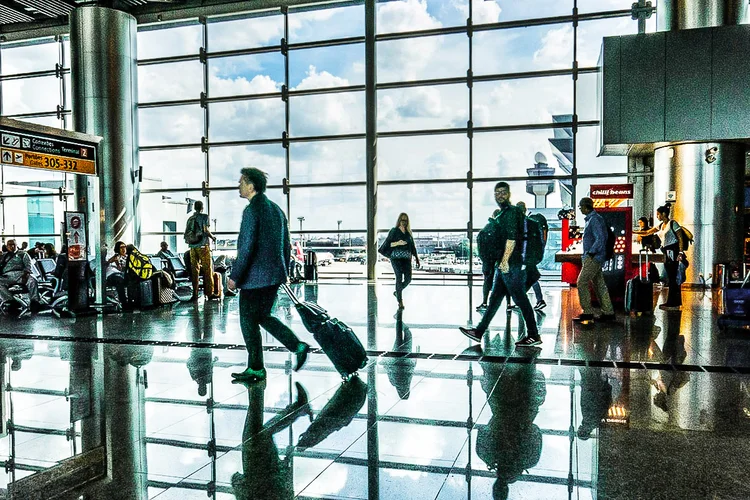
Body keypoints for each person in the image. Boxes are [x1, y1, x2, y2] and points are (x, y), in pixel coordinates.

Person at [227, 167, 310, 383]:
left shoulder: (251, 211)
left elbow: (246, 248)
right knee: (263, 316)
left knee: (247, 320)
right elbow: (287, 245)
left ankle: (256, 368)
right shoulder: (276, 210)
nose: (239, 185)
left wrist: (235, 276)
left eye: (241, 182)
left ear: (251, 186)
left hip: (255, 279)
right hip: (274, 276)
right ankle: (297, 346)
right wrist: (283, 272)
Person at [459, 182, 541, 347]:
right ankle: (479, 332)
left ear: (509, 194)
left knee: (520, 299)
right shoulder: (503, 214)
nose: (500, 195)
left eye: (503, 192)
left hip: (511, 265)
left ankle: (533, 335)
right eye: (497, 193)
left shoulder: (510, 213)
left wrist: (504, 261)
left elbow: (511, 238)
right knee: (495, 299)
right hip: (504, 265)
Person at [574, 197, 615, 323]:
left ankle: (587, 312)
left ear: (585, 207)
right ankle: (608, 312)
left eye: (580, 207)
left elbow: (600, 238)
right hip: (596, 256)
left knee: (581, 282)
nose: (580, 209)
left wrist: (591, 252)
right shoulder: (593, 219)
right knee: (599, 284)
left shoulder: (594, 220)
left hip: (594, 256)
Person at [639, 205, 682, 310]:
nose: (657, 216)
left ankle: (673, 302)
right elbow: (648, 232)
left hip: (673, 252)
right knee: (671, 276)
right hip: (666, 252)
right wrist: (633, 232)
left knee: (673, 277)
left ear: (664, 214)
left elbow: (680, 237)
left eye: (658, 214)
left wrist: (680, 253)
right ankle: (673, 301)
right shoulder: (662, 225)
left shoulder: (673, 223)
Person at [379, 213, 420, 309]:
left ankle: (397, 292)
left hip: (406, 259)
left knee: (408, 279)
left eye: (405, 220)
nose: (404, 222)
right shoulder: (394, 231)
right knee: (398, 277)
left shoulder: (409, 232)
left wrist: (417, 258)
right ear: (399, 220)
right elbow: (388, 244)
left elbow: (412, 246)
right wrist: (398, 243)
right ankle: (400, 301)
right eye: (402, 220)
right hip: (396, 258)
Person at [517, 201, 547, 311]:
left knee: (529, 278)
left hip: (527, 256)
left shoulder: (523, 223)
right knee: (530, 277)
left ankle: (531, 301)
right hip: (530, 256)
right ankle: (538, 300)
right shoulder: (531, 223)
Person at [185, 200, 218, 301]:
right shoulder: (204, 216)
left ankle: (194, 295)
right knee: (208, 269)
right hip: (203, 246)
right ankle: (209, 293)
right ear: (202, 207)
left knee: (195, 271)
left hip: (192, 247)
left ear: (194, 207)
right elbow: (205, 230)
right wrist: (213, 237)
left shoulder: (190, 218)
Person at [0, 239, 43, 313]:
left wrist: (26, 274)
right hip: (7, 275)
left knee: (32, 280)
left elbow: (28, 265)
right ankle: (10, 300)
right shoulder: (3, 256)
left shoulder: (23, 254)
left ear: (16, 245)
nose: (12, 246)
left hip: (20, 273)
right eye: (10, 245)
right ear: (7, 246)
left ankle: (35, 301)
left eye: (14, 244)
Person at [477, 208, 502, 312]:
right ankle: (509, 304)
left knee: (487, 280)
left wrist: (484, 258)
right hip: (498, 259)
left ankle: (484, 302)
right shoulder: (502, 229)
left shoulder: (486, 229)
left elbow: (480, 245)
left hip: (487, 260)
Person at [105, 240, 129, 307]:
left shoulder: (127, 257)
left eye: (124, 247)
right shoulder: (113, 256)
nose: (123, 249)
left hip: (123, 274)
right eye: (121, 247)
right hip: (113, 274)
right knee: (119, 280)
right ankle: (124, 302)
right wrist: (116, 262)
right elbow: (108, 263)